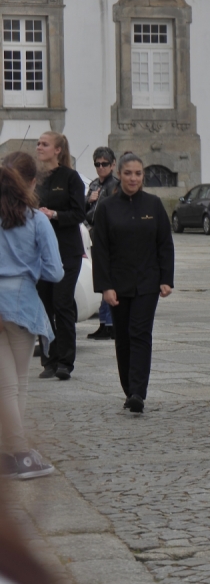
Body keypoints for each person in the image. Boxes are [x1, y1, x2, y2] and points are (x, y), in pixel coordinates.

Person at [91, 152, 174, 413]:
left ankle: (138, 391)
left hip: (147, 283)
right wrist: (105, 286)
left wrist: (166, 279)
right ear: (120, 174)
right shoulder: (106, 208)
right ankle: (128, 388)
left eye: (138, 173)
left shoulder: (154, 204)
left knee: (140, 333)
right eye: (128, 173)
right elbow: (100, 250)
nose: (133, 178)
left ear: (143, 176)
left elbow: (165, 244)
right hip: (118, 284)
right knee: (123, 338)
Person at [0, 161, 64, 479]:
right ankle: (19, 453)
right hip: (21, 304)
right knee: (17, 385)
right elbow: (55, 271)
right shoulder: (36, 219)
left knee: (4, 386)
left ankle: (8, 452)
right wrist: (30, 267)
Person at [35, 131, 85, 380]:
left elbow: (79, 214)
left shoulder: (70, 178)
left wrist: (53, 214)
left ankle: (65, 361)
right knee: (44, 306)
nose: (39, 147)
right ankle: (49, 359)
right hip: (40, 253)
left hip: (66, 250)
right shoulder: (35, 179)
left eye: (44, 144)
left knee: (62, 303)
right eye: (38, 143)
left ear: (57, 150)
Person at [85, 147, 120, 341]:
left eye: (104, 164)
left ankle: (110, 324)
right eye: (97, 164)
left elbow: (103, 213)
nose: (100, 168)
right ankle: (104, 323)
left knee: (108, 280)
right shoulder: (93, 185)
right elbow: (83, 210)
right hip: (94, 236)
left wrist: (91, 210)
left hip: (109, 238)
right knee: (99, 280)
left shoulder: (115, 185)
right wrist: (88, 199)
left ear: (113, 164)